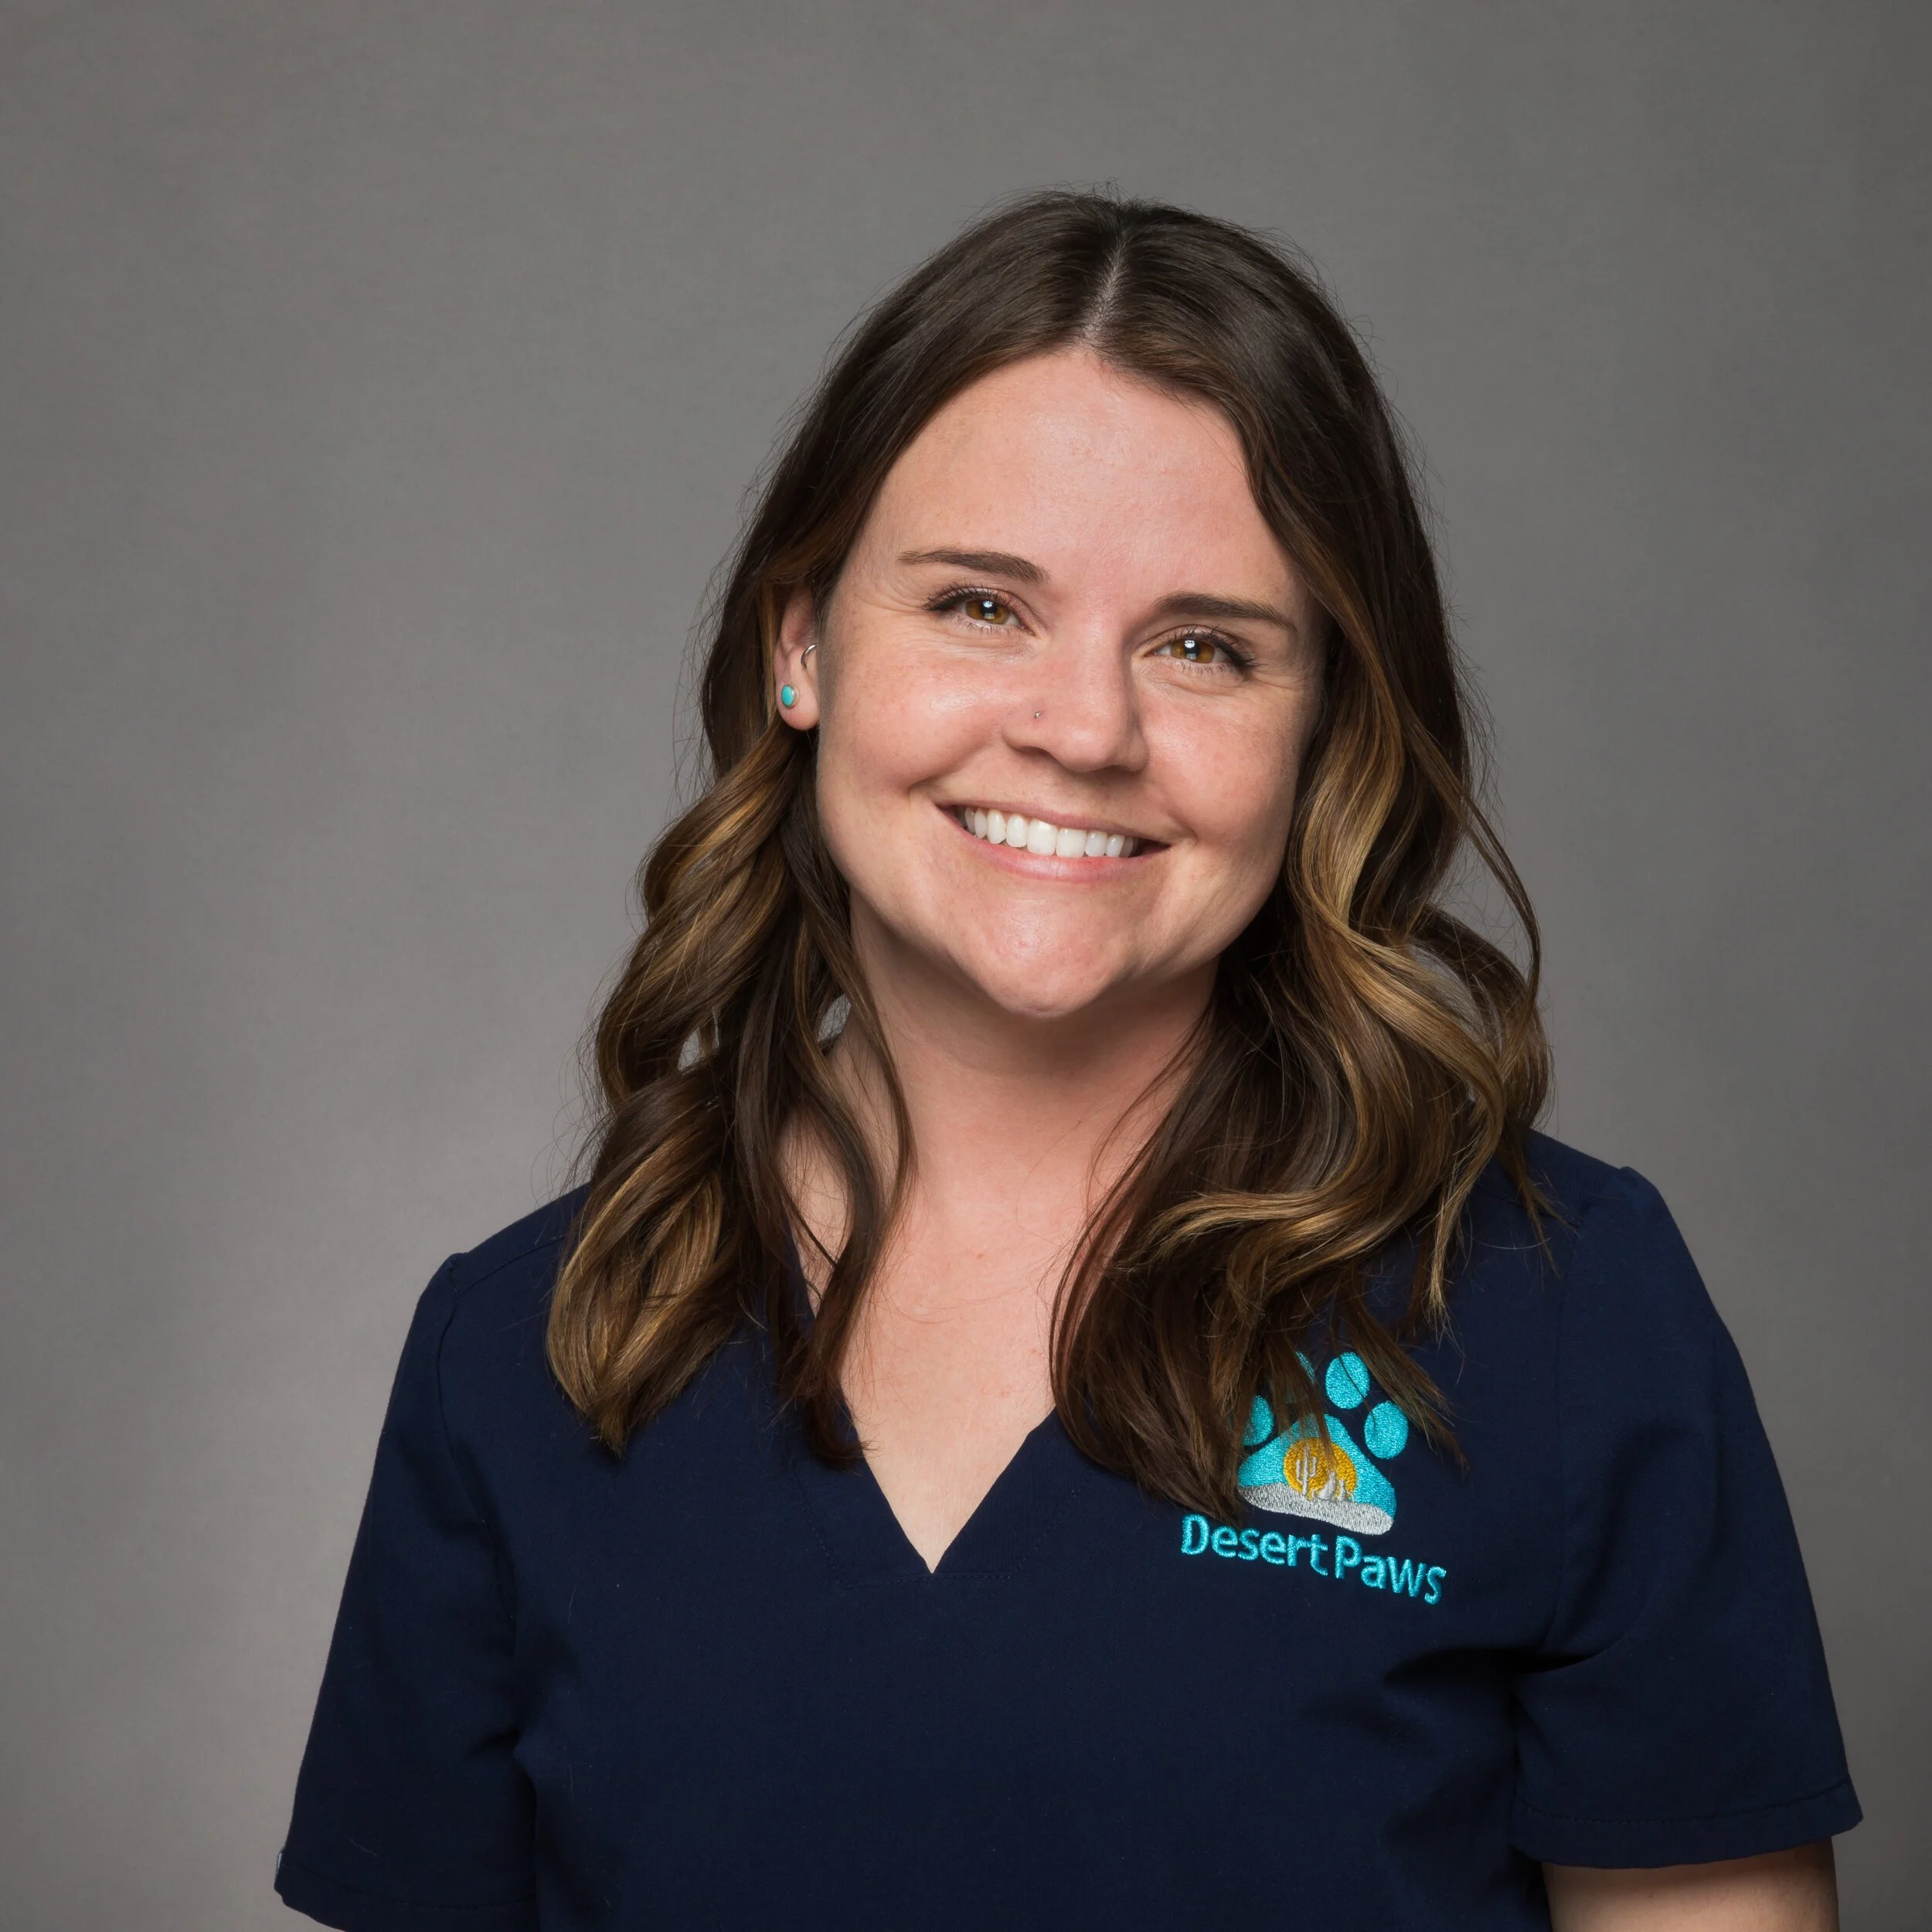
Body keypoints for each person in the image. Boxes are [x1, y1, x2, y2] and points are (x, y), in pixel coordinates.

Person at [275, 192, 1857, 1930]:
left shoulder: (1561, 1311)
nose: (1083, 727)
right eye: (978, 605)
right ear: (800, 643)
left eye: (1203, 645)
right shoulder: (524, 1347)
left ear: (1321, 716)